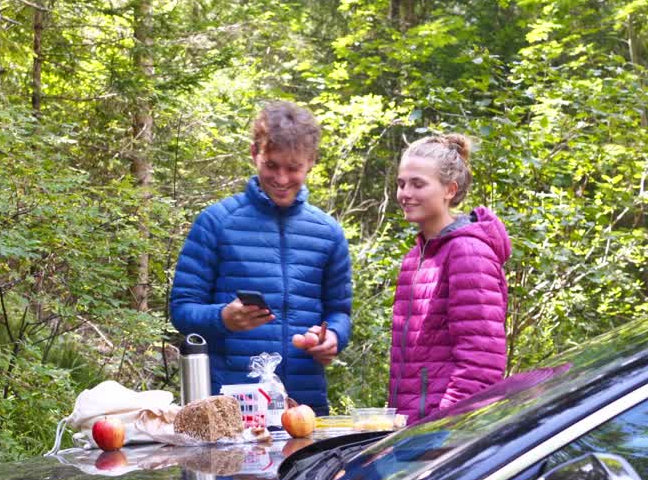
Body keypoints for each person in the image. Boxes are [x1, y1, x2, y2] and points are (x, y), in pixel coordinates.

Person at [170, 101, 352, 415]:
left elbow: (339, 311)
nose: (281, 178)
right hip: (229, 410)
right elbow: (182, 309)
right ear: (255, 154)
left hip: (306, 407)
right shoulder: (216, 222)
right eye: (272, 165)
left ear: (311, 162)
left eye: (293, 168)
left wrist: (332, 337)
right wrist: (222, 319)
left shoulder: (328, 232)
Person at [390, 133, 511, 425]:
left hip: (443, 433)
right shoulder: (415, 257)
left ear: (449, 189)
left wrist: (442, 428)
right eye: (401, 183)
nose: (406, 193)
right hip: (412, 428)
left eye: (418, 184)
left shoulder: (468, 252)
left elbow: (481, 363)